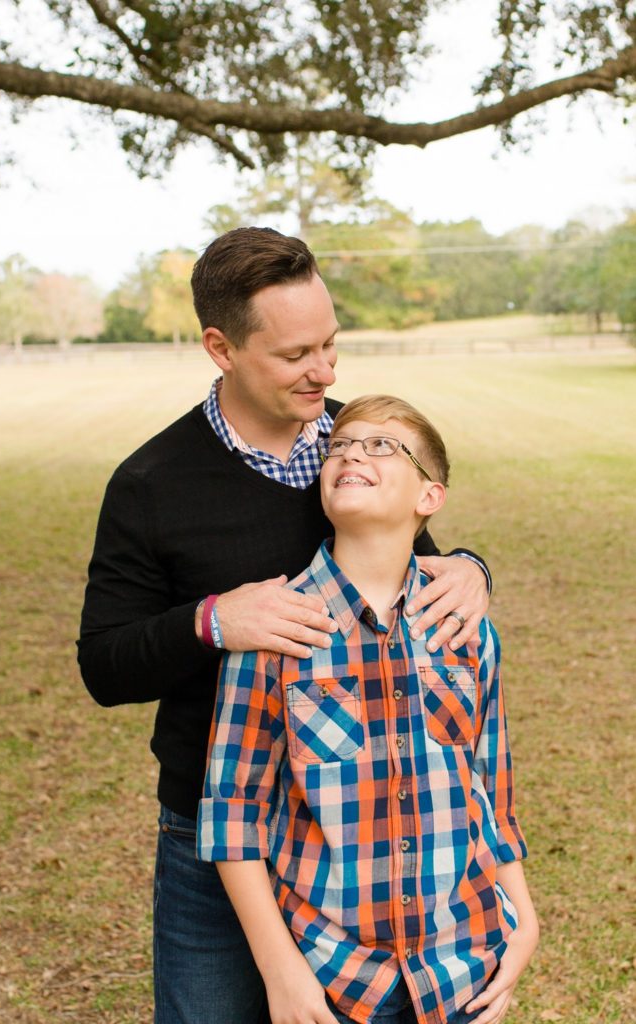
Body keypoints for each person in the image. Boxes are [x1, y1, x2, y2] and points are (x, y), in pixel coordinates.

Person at [77, 229, 492, 1024]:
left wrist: (471, 568)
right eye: (297, 354)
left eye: (331, 344)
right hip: (219, 837)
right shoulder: (150, 484)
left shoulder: (357, 449)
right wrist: (211, 622)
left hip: (358, 828)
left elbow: (414, 558)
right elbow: (104, 665)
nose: (326, 372)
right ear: (220, 348)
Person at [198, 394, 538, 1024]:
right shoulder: (278, 629)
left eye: (382, 445)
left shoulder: (465, 630)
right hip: (333, 977)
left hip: (461, 966)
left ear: (429, 497)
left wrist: (525, 920)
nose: (352, 451)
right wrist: (283, 976)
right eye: (339, 446)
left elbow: (489, 786)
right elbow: (234, 817)